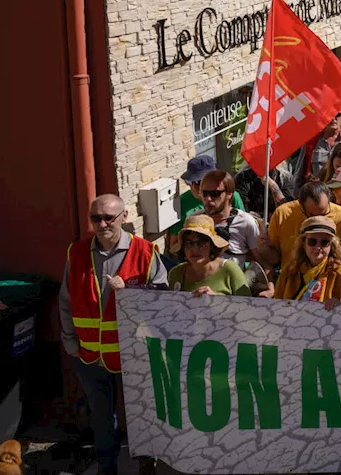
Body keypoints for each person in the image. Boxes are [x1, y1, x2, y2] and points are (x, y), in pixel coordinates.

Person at [60, 195, 167, 475]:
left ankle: (147, 463)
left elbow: (163, 300)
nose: (103, 223)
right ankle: (107, 468)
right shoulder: (77, 253)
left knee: (142, 414)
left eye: (109, 217)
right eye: (96, 218)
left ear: (124, 216)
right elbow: (66, 300)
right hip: (89, 356)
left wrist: (131, 292)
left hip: (132, 355)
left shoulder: (145, 251)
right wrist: (70, 341)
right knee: (102, 419)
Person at [258, 182, 341, 271]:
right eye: (311, 216)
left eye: (324, 214)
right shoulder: (283, 214)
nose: (318, 220)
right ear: (300, 206)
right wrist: (263, 249)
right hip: (292, 279)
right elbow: (274, 259)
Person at [274, 215, 341, 306]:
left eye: (324, 242)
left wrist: (340, 307)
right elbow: (276, 306)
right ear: (303, 243)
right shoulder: (289, 272)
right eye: (312, 241)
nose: (318, 247)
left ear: (332, 245)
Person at [168, 215, 252, 296]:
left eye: (201, 243)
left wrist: (215, 300)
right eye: (189, 243)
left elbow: (247, 306)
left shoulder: (230, 269)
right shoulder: (176, 273)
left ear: (212, 246)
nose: (195, 249)